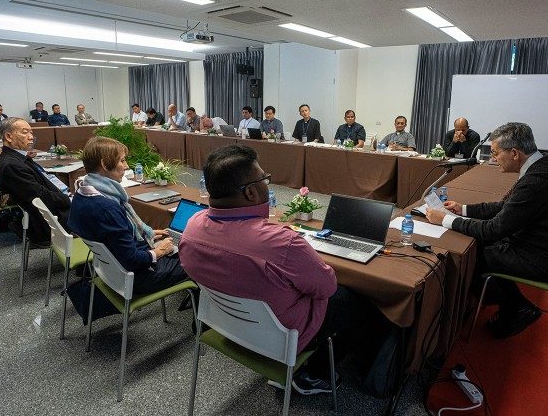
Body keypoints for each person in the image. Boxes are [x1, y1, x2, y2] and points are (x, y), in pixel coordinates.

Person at [180, 144, 374, 394]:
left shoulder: (192, 226)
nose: (267, 184)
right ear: (250, 192)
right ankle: (315, 374)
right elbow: (327, 286)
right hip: (283, 337)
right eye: (264, 179)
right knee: (352, 300)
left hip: (227, 324)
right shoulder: (282, 243)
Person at [426, 122, 548, 338]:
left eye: (495, 153)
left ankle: (516, 307)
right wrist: (463, 209)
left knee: (474, 254)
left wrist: (446, 220)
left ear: (514, 153)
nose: (493, 159)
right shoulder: (547, 165)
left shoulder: (536, 181)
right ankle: (512, 304)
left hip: (546, 261)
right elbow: (507, 208)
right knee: (482, 245)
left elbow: (495, 229)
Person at [69, 137, 187, 293]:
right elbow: (132, 260)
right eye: (122, 161)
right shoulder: (107, 208)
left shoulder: (82, 193)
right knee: (197, 261)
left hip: (109, 272)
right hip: (136, 277)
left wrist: (149, 233)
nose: (126, 166)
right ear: (105, 164)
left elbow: (114, 237)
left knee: (174, 244)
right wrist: (160, 252)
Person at [0, 117, 71, 245]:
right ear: (8, 137)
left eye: (31, 132)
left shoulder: (17, 157)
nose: (31, 136)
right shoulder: (12, 165)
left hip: (52, 211)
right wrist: (68, 199)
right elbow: (41, 196)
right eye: (25, 132)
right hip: (50, 222)